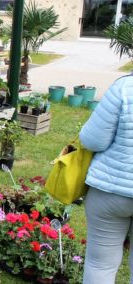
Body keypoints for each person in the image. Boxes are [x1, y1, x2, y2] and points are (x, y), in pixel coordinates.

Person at [79, 74, 133, 283]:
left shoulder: (124, 86)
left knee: (100, 264)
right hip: (111, 188)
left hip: (110, 190)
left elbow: (93, 140)